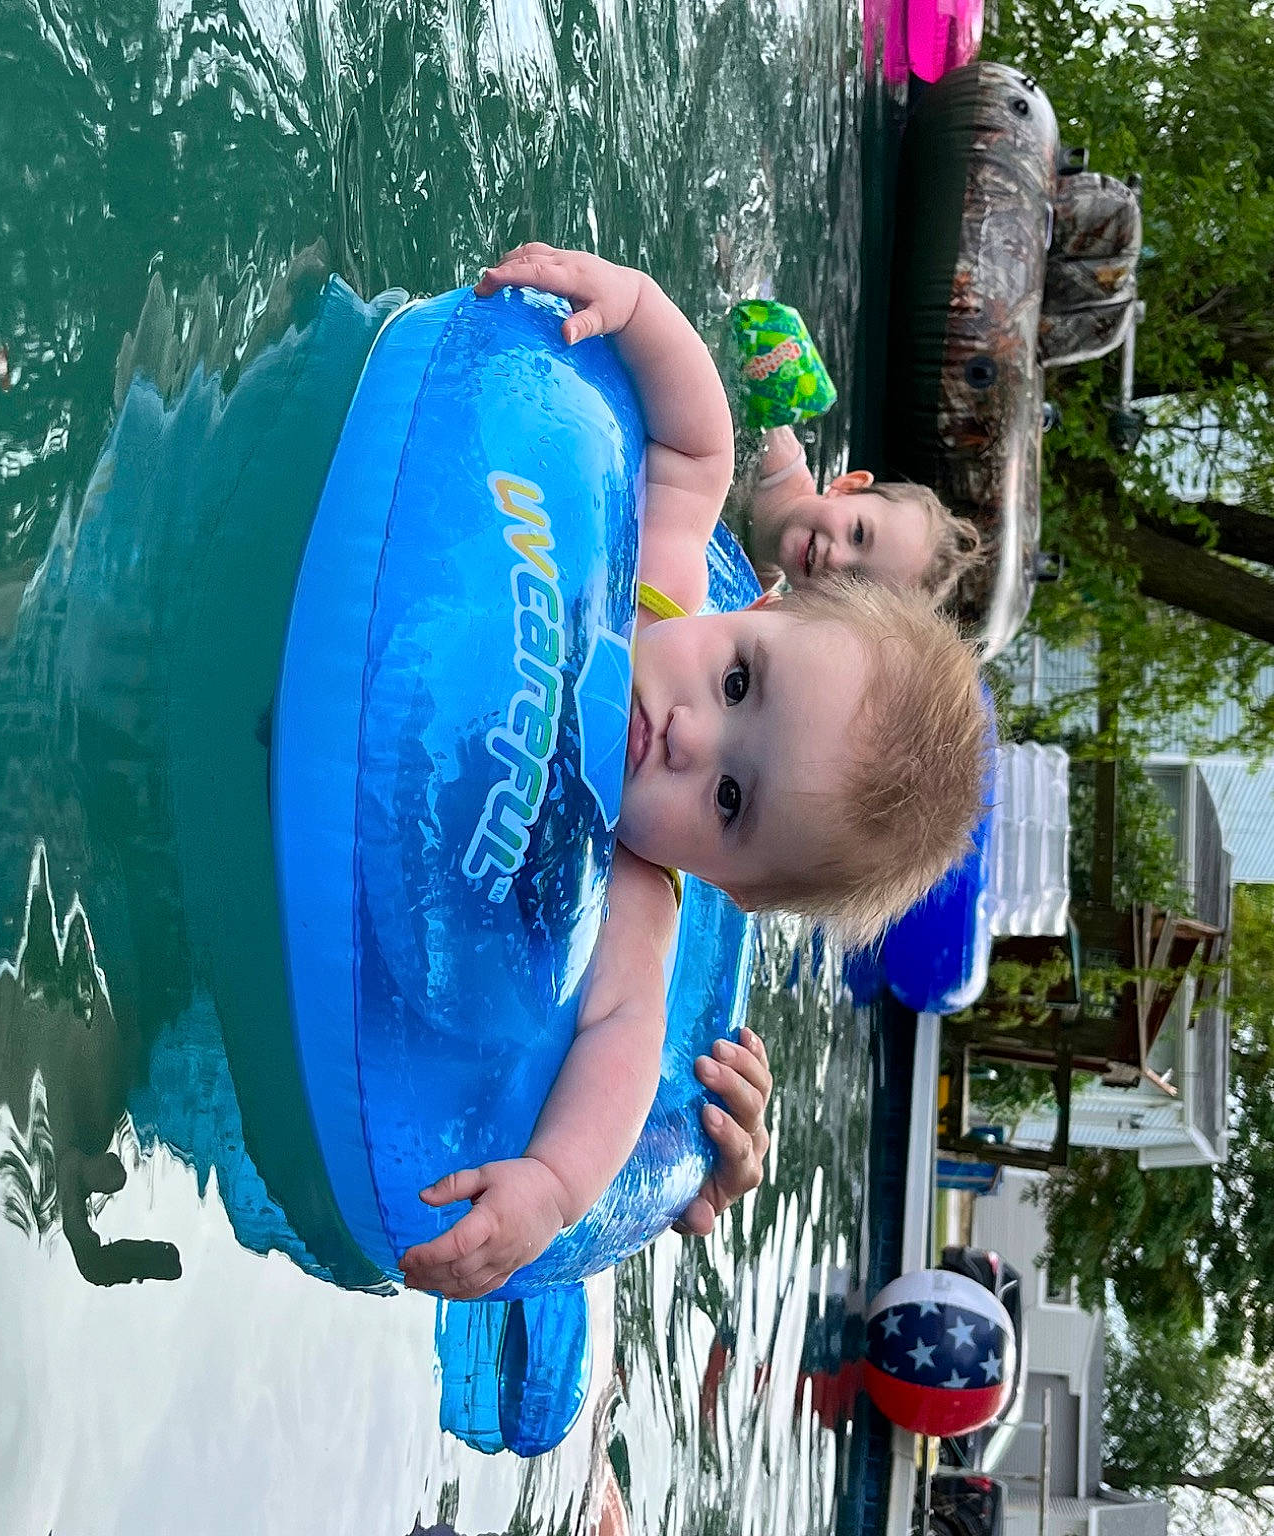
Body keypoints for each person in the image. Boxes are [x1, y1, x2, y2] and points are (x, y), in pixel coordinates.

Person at [399, 246, 987, 1301]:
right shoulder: (654, 592)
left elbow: (621, 1051)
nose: (687, 738)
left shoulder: (635, 895)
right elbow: (696, 447)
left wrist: (550, 1188)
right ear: (754, 609)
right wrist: (635, 304)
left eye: (729, 799)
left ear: (735, 888)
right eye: (737, 681)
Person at [744, 424, 984, 605]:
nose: (836, 560)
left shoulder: (750, 592)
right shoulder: (771, 446)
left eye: (855, 581)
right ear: (848, 486)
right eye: (858, 534)